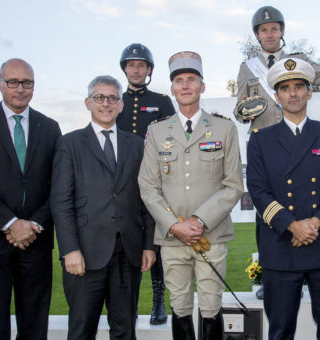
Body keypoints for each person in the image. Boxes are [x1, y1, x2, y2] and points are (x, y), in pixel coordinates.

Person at [234, 4, 320, 299]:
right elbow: (240, 109)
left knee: (307, 205)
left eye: (274, 28)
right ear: (257, 35)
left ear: (282, 32)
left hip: (304, 142)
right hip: (269, 147)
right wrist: (244, 113)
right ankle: (268, 275)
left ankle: (309, 270)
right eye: (264, 30)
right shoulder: (247, 68)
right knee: (265, 213)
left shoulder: (299, 61)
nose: (269, 34)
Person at [138, 51, 243, 340]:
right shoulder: (158, 132)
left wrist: (198, 221)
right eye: (179, 81)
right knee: (179, 305)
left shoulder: (224, 128)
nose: (185, 86)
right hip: (172, 238)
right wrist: (175, 225)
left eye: (191, 80)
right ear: (172, 89)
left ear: (202, 86)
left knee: (211, 305)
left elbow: (233, 184)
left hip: (211, 235)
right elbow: (147, 186)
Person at [246, 58, 320, 339]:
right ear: (277, 96)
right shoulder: (260, 139)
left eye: (299, 87)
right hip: (281, 248)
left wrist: (314, 224)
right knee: (280, 332)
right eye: (285, 88)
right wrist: (293, 225)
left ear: (309, 92)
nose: (292, 93)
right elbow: (258, 190)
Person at [51, 75, 156, 339]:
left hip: (128, 253)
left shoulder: (136, 144)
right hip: (85, 255)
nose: (106, 103)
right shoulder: (70, 144)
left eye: (112, 98)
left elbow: (147, 197)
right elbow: (61, 202)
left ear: (121, 105)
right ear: (89, 102)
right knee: (81, 330)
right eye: (99, 97)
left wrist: (148, 245)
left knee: (124, 330)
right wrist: (70, 250)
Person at [0, 58, 61, 340]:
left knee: (34, 326)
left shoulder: (50, 127)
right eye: (13, 82)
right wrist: (10, 223)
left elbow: (56, 186)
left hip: (35, 240)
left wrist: (32, 225)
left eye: (27, 82)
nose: (20, 89)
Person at [118, 42, 175, 325]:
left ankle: (157, 301)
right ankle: (125, 304)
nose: (136, 70)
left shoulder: (162, 100)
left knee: (158, 242)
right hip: (122, 183)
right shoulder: (114, 100)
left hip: (154, 180)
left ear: (149, 69)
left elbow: (172, 140)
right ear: (125, 69)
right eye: (131, 65)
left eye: (141, 65)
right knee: (125, 240)